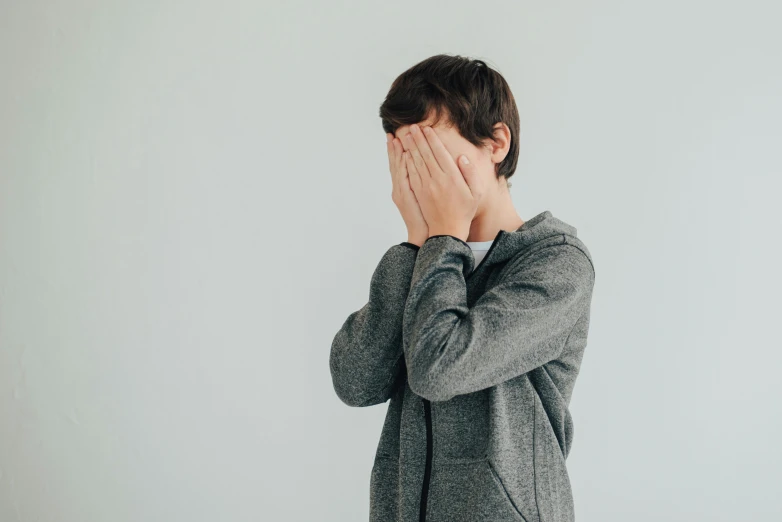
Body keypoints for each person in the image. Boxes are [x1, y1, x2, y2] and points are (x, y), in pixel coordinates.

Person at [329, 54, 596, 522]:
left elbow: (440, 370)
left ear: (496, 143)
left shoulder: (557, 265)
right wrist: (417, 243)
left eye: (432, 152)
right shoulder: (427, 257)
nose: (421, 175)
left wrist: (443, 236)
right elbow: (355, 381)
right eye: (406, 157)